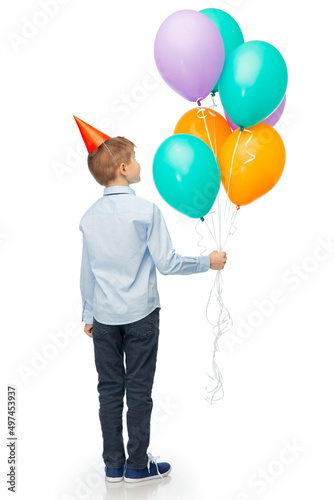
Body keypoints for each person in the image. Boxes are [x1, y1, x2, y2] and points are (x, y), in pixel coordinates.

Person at [76, 117, 227, 483]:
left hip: (105, 319)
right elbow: (167, 262)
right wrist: (207, 262)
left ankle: (113, 466)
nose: (140, 165)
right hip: (142, 316)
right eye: (136, 159)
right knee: (139, 390)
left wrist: (89, 312)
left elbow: (88, 272)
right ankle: (138, 466)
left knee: (109, 390)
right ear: (123, 168)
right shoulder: (146, 211)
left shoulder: (89, 217)